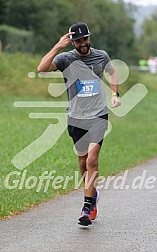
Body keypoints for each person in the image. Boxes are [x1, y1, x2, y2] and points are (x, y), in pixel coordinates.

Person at [37, 22, 121, 226]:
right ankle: (92, 197)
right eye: (78, 40)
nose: (83, 43)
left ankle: (86, 207)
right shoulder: (66, 59)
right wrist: (58, 46)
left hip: (98, 116)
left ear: (89, 38)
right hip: (76, 118)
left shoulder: (101, 56)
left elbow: (112, 72)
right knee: (83, 163)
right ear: (72, 41)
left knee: (92, 160)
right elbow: (41, 69)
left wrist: (115, 94)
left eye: (85, 39)